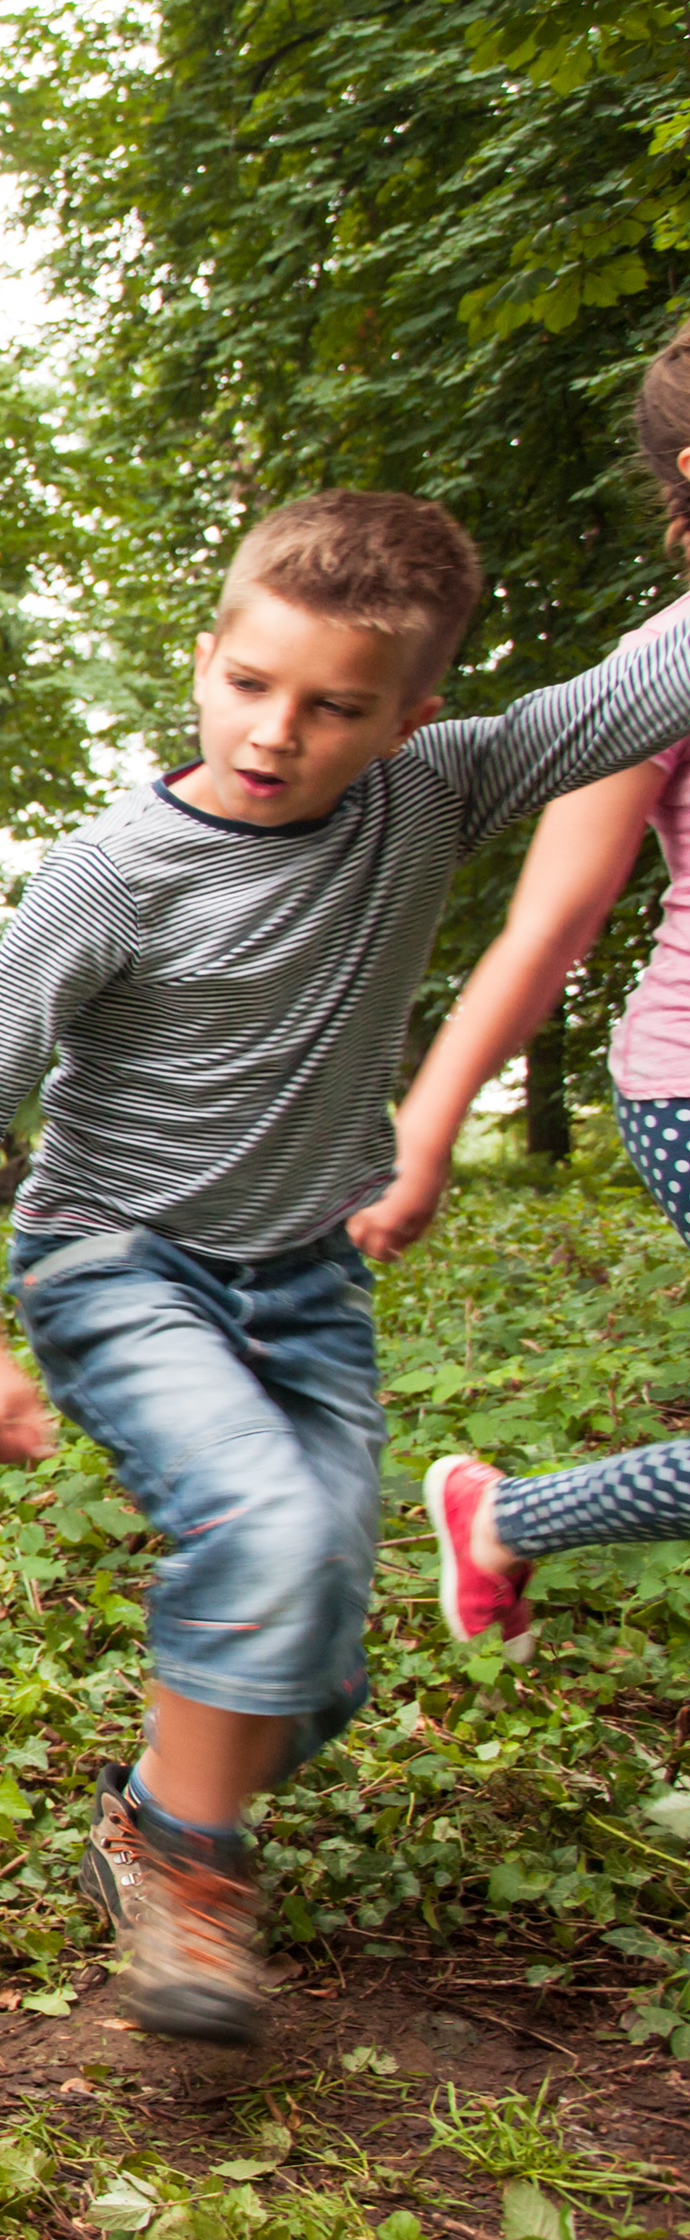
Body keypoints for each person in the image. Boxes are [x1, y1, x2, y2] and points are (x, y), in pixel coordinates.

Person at [0, 489, 690, 2049]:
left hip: (305, 1278)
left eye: (337, 707)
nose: (278, 732)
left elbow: (640, 690)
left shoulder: (438, 793)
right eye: (251, 684)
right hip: (119, 1263)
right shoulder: (114, 872)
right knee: (266, 1533)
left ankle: (145, 1822)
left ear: (414, 715)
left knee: (315, 1635)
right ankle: (196, 1874)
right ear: (204, 658)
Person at [344, 326, 690, 1648]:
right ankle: (508, 1516)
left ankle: (507, 1514)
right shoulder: (655, 672)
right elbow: (549, 923)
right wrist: (424, 1132)